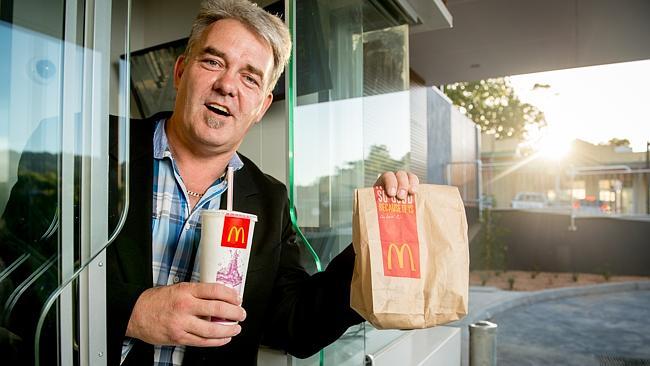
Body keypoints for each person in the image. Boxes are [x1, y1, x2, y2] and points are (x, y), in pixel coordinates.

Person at [0, 0, 419, 365]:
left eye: (250, 77)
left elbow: (294, 327)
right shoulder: (78, 144)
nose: (227, 85)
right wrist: (131, 312)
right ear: (181, 71)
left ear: (261, 106)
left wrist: (373, 245)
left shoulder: (270, 199)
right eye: (213, 61)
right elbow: (9, 279)